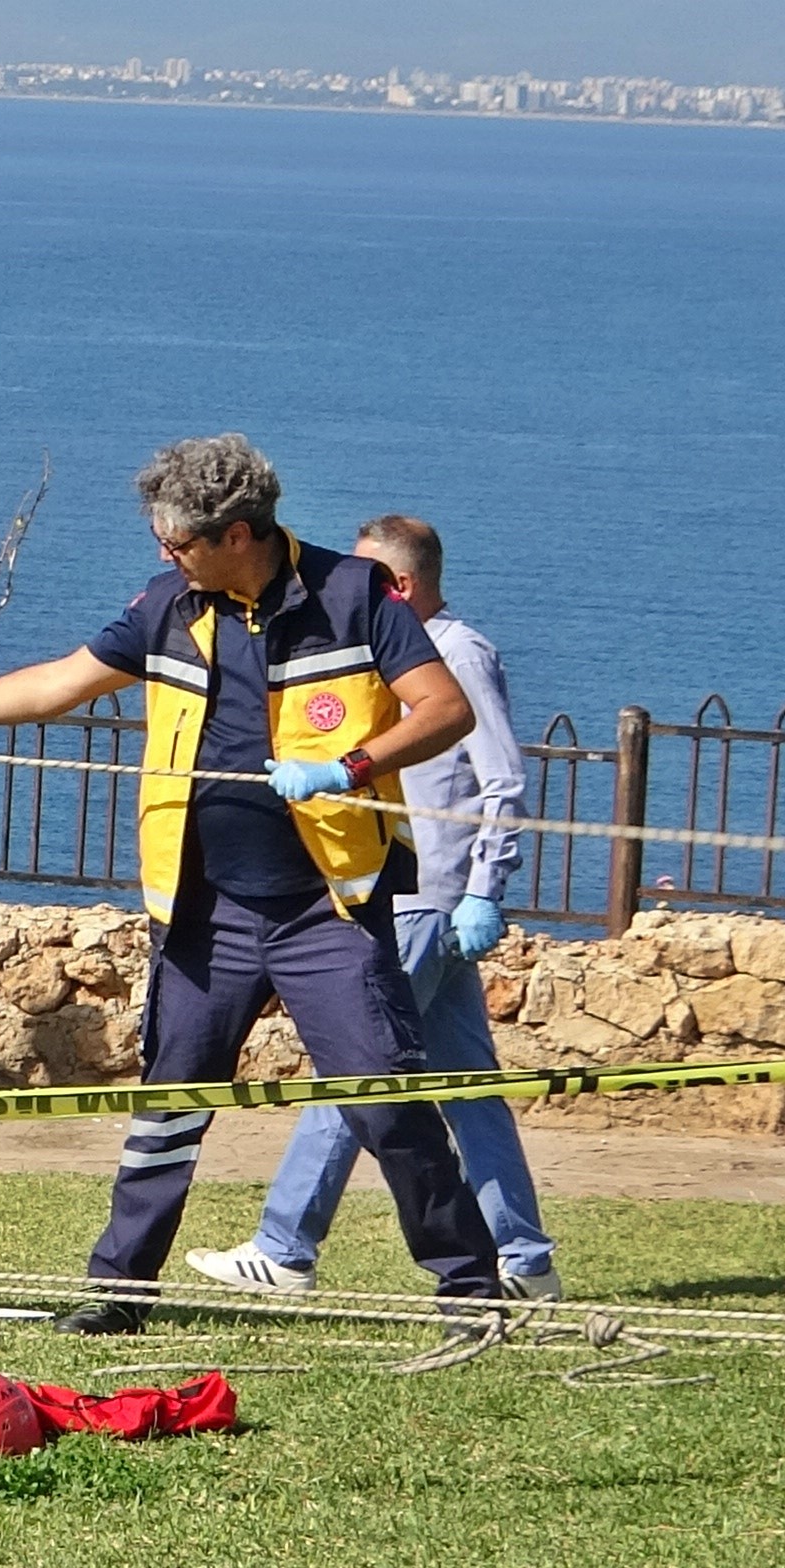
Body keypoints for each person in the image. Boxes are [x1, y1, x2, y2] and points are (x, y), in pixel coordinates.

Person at [0, 434, 507, 1330]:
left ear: (238, 534)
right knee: (168, 1106)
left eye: (179, 542)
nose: (166, 556)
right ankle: (120, 1293)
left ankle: (470, 1288)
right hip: (204, 911)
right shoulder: (168, 606)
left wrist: (346, 768)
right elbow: (59, 685)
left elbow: (445, 710)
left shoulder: (355, 595)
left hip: (329, 910)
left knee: (382, 1099)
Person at [189, 514, 562, 1300]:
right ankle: (524, 1260)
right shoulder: (390, 653)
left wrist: (484, 891)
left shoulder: (458, 653)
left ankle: (285, 1247)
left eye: (369, 579)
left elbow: (502, 780)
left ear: (402, 584)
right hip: (416, 894)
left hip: (428, 900)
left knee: (357, 1069)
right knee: (469, 1088)